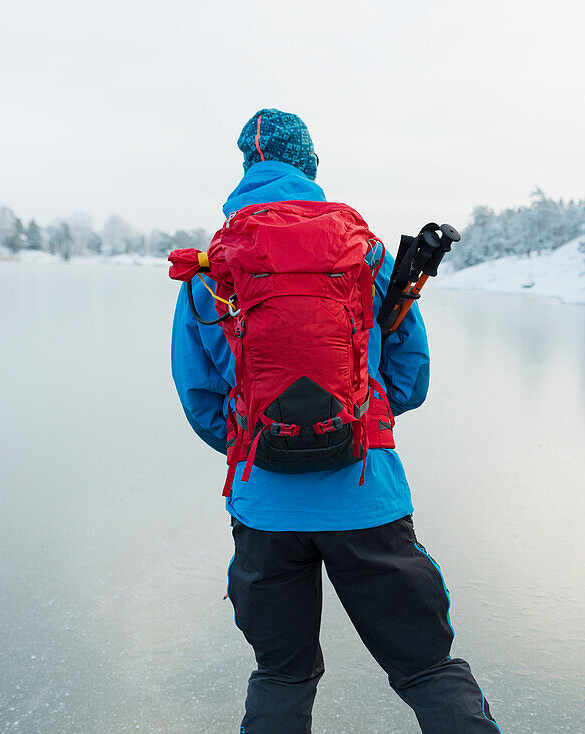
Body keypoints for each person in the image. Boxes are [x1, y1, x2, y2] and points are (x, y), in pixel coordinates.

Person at [170, 108, 501, 734]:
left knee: (282, 676)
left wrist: (267, 446)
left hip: (263, 508)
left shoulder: (212, 266)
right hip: (366, 498)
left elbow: (200, 399)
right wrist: (354, 424)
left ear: (246, 168)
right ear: (311, 166)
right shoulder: (365, 254)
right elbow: (410, 380)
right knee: (427, 669)